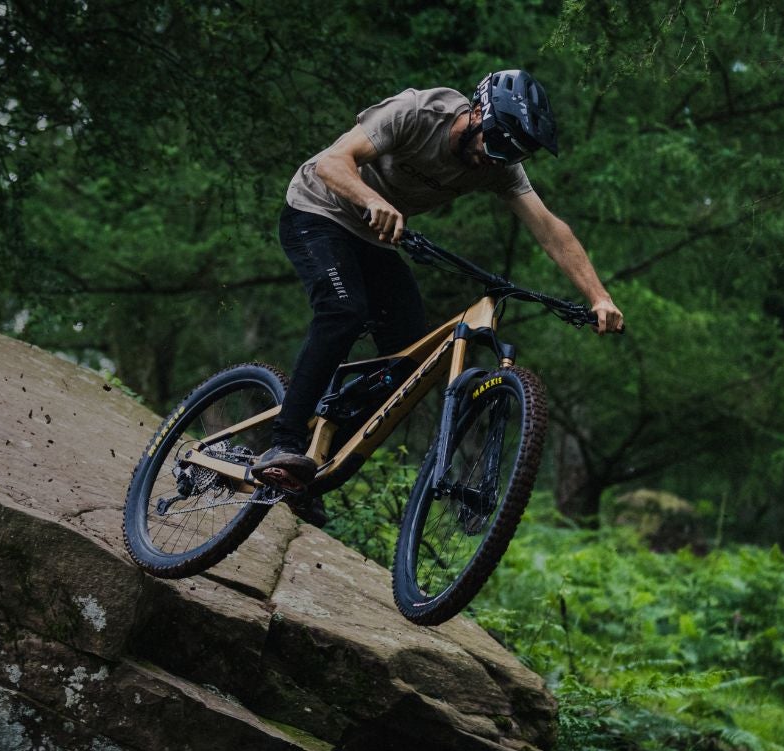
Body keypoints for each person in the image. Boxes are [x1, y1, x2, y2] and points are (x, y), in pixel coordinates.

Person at [254, 69, 625, 513]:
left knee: (409, 360)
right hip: (318, 210)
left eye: (512, 152)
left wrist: (598, 296)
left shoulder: (500, 166)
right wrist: (372, 199)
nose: (498, 159)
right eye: (497, 143)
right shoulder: (417, 112)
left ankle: (317, 453)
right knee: (343, 311)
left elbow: (551, 230)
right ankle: (284, 443)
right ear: (475, 114)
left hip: (374, 238)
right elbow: (331, 163)